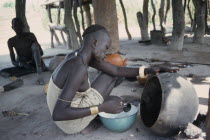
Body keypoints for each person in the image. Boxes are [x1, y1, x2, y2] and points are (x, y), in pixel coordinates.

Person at [47, 25, 177, 135]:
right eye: (105, 48)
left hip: (67, 110)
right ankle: (83, 125)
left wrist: (149, 69)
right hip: (67, 123)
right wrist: (100, 108)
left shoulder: (78, 55)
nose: (105, 53)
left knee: (116, 100)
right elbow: (58, 113)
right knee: (113, 102)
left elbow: (116, 70)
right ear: (95, 43)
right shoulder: (78, 67)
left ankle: (93, 114)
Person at [7, 18, 46, 85]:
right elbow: (13, 61)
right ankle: (34, 69)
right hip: (23, 63)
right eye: (16, 25)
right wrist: (20, 64)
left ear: (23, 26)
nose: (18, 27)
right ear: (12, 27)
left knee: (35, 45)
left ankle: (39, 75)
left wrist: (36, 50)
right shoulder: (11, 41)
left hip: (35, 61)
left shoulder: (31, 36)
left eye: (20, 25)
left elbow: (41, 53)